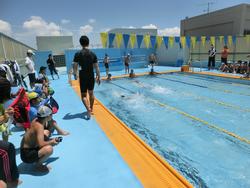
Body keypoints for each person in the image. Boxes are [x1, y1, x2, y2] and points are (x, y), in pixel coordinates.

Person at [20, 105, 59, 172]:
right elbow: (41, 144)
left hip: (26, 149)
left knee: (46, 132)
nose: (52, 115)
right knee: (49, 149)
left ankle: (37, 157)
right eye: (51, 114)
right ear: (47, 116)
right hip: (26, 155)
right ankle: (38, 165)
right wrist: (52, 142)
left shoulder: (36, 120)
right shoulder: (40, 126)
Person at [73, 35, 101, 118]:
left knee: (84, 95)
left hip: (83, 75)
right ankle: (91, 109)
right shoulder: (93, 54)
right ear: (88, 43)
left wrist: (75, 74)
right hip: (91, 75)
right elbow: (96, 67)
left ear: (80, 43)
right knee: (91, 93)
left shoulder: (77, 54)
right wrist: (98, 76)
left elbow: (75, 66)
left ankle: (88, 109)